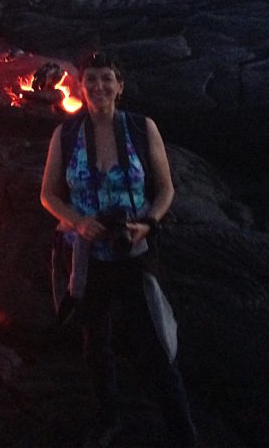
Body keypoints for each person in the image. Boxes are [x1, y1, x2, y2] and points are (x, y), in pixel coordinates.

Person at [40, 51, 197, 448]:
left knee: (155, 345)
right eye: (90, 79)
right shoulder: (66, 135)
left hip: (133, 253)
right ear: (81, 87)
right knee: (95, 344)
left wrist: (148, 224)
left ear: (120, 86)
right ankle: (109, 418)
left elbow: (166, 189)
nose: (98, 86)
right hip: (87, 259)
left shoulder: (142, 129)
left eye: (106, 78)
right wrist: (78, 222)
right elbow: (48, 195)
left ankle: (182, 431)